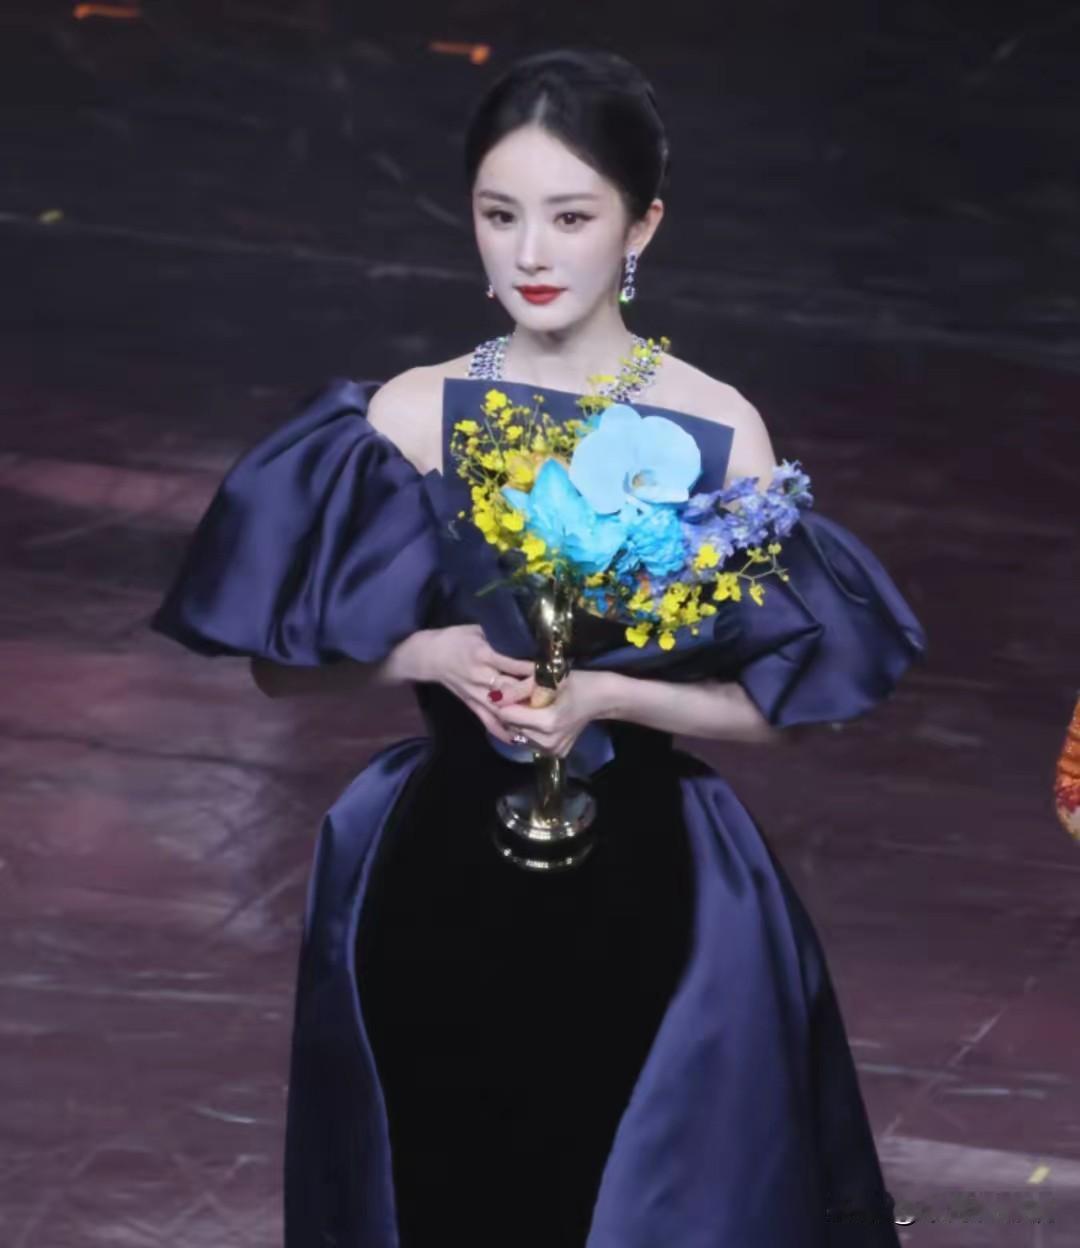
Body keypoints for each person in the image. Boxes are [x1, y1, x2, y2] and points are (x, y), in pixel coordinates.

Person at [150, 47, 926, 1248]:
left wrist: (610, 694)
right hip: (437, 882)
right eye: (499, 214)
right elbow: (276, 665)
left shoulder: (717, 428)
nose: (530, 253)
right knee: (441, 1190)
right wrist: (429, 657)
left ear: (641, 226)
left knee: (623, 1194)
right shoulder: (408, 416)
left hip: (649, 889)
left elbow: (791, 706)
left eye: (571, 217)